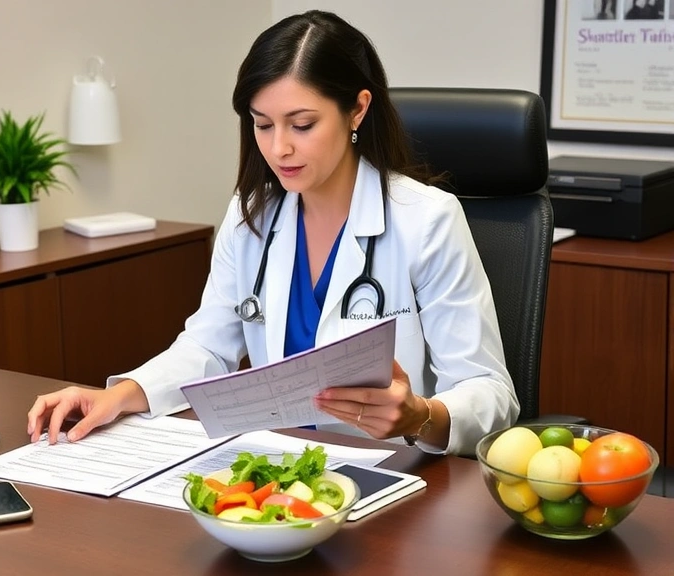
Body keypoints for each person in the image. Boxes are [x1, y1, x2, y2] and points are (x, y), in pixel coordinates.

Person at [27, 10, 518, 456]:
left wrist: (419, 416)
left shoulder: (426, 219)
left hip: (399, 480)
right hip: (282, 472)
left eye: (302, 124)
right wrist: (116, 397)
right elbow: (208, 347)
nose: (279, 148)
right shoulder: (252, 216)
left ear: (357, 110)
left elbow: (490, 391)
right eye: (262, 125)